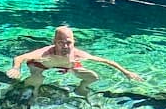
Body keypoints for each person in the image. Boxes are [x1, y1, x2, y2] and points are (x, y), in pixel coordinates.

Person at [8, 26, 141, 90]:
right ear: (54, 42)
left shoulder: (77, 54)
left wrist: (127, 72)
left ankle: (81, 89)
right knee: (37, 80)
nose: (65, 46)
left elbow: (107, 61)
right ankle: (30, 92)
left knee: (93, 77)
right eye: (61, 42)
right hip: (41, 65)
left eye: (69, 42)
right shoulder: (45, 53)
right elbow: (20, 57)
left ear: (74, 41)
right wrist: (16, 68)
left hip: (66, 66)